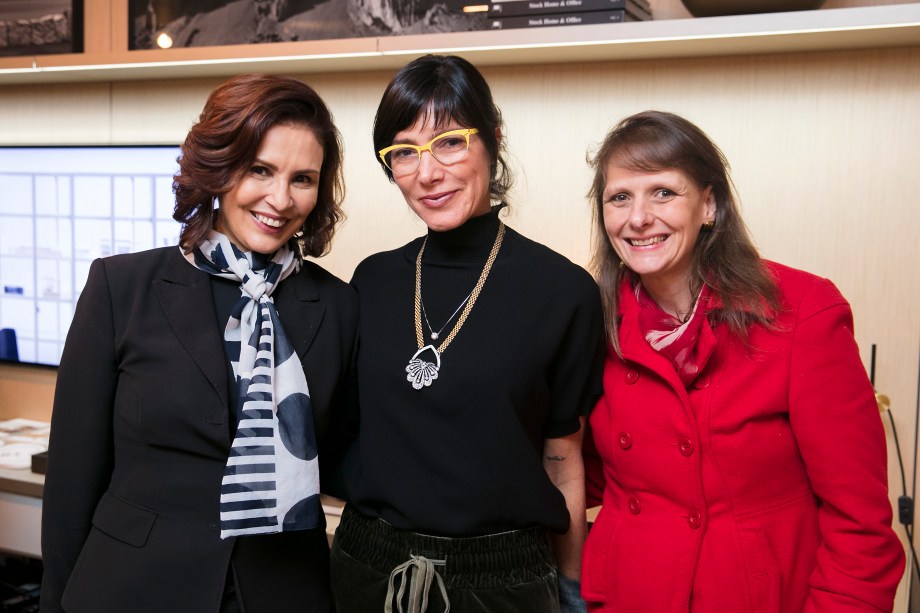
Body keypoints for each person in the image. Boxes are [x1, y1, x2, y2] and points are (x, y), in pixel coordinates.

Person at [40, 73, 357, 613]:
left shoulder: (339, 305)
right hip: (133, 588)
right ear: (218, 165)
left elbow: (355, 460)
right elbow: (73, 479)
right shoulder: (121, 288)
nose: (280, 199)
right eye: (260, 169)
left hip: (282, 590)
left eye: (302, 178)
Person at [581, 110, 905, 612]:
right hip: (631, 594)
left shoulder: (802, 312)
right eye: (619, 197)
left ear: (708, 204)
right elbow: (586, 474)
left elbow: (859, 526)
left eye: (663, 192)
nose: (638, 217)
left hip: (755, 596)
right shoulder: (590, 320)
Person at [329, 54, 605, 613]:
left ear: (492, 138)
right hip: (366, 567)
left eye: (449, 142)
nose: (427, 173)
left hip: (504, 581)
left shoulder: (563, 291)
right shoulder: (373, 280)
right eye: (403, 152)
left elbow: (562, 459)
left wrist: (572, 590)